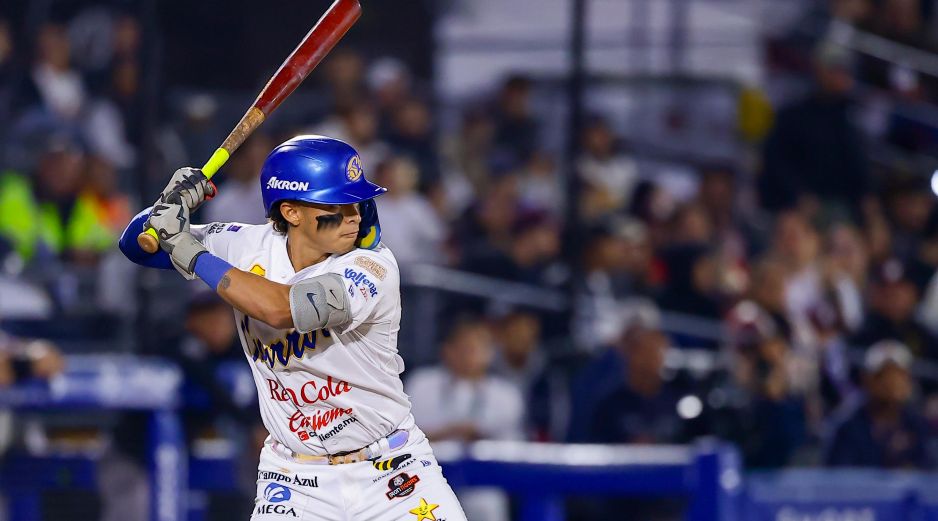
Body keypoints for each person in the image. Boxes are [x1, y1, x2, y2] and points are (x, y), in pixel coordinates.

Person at [119, 135, 467, 520]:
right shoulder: (245, 245)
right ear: (292, 212)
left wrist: (189, 250)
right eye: (335, 204)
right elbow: (135, 245)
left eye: (357, 201)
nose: (353, 215)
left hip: (391, 470)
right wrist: (169, 206)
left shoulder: (372, 265)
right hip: (295, 480)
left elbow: (283, 309)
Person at [406, 317, 524, 521]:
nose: (471, 354)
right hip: (425, 473)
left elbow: (514, 449)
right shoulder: (421, 383)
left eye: (479, 348)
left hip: (483, 480)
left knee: (487, 505)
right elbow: (404, 436)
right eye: (465, 347)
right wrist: (450, 432)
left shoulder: (506, 394)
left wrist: (480, 436)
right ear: (447, 350)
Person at [824, 340, 933, 469]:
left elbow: (927, 471)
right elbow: (839, 478)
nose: (893, 383)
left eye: (900, 375)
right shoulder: (847, 426)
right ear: (867, 379)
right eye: (884, 375)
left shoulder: (916, 424)